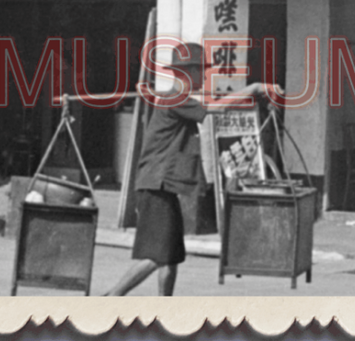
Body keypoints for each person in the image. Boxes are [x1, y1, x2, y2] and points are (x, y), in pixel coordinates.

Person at [105, 43, 278, 296]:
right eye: (201, 71)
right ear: (185, 73)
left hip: (163, 184)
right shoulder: (175, 99)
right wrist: (254, 88)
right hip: (156, 183)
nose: (204, 76)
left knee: (171, 255)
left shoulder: (179, 99)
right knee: (157, 256)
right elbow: (217, 109)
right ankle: (111, 297)